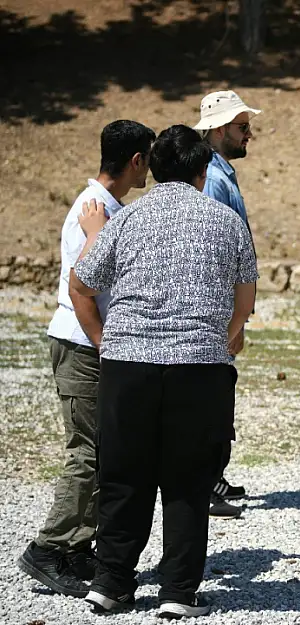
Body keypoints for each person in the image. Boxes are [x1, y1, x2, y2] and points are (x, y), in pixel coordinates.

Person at [71, 124, 258, 618]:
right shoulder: (225, 220)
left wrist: (103, 336)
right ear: (202, 172)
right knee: (188, 482)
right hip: (198, 365)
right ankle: (177, 592)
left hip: (128, 364)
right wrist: (230, 332)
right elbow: (245, 297)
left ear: (151, 169)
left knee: (123, 476)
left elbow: (83, 283)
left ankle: (110, 582)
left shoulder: (127, 219)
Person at [17, 120, 155, 599]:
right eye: (148, 157)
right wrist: (106, 346)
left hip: (92, 344)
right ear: (135, 160)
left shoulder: (110, 207)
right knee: (87, 453)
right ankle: (46, 548)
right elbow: (83, 290)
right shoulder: (92, 210)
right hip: (82, 344)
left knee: (104, 452)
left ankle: (77, 546)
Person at [193, 89, 262, 518]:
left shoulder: (220, 174)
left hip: (223, 309)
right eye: (242, 127)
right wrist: (233, 321)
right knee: (211, 396)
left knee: (218, 393)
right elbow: (215, 255)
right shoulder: (214, 180)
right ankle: (203, 480)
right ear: (218, 129)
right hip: (217, 310)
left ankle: (210, 475)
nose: (249, 134)